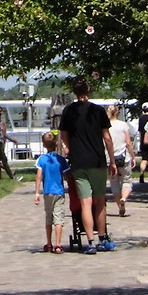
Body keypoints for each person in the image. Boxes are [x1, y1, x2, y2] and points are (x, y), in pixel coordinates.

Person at [57, 76, 116, 252]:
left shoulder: (69, 111)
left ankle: (90, 242)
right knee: (100, 201)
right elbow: (106, 137)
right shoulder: (98, 111)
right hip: (97, 160)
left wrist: (68, 147)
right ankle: (102, 238)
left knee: (85, 202)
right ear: (88, 91)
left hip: (78, 161)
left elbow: (63, 134)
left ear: (75, 92)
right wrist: (112, 160)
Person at [35, 130, 67, 254]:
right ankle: (58, 244)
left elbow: (39, 176)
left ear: (43, 145)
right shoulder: (60, 160)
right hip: (59, 192)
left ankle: (49, 243)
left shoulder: (41, 160)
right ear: (56, 145)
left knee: (48, 217)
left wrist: (37, 192)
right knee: (58, 218)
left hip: (47, 192)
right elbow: (67, 175)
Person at [107, 102, 136, 219]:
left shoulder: (105, 126)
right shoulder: (124, 125)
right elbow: (128, 143)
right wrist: (133, 155)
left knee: (114, 182)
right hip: (124, 157)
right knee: (127, 180)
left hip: (110, 158)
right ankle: (124, 198)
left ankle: (120, 205)